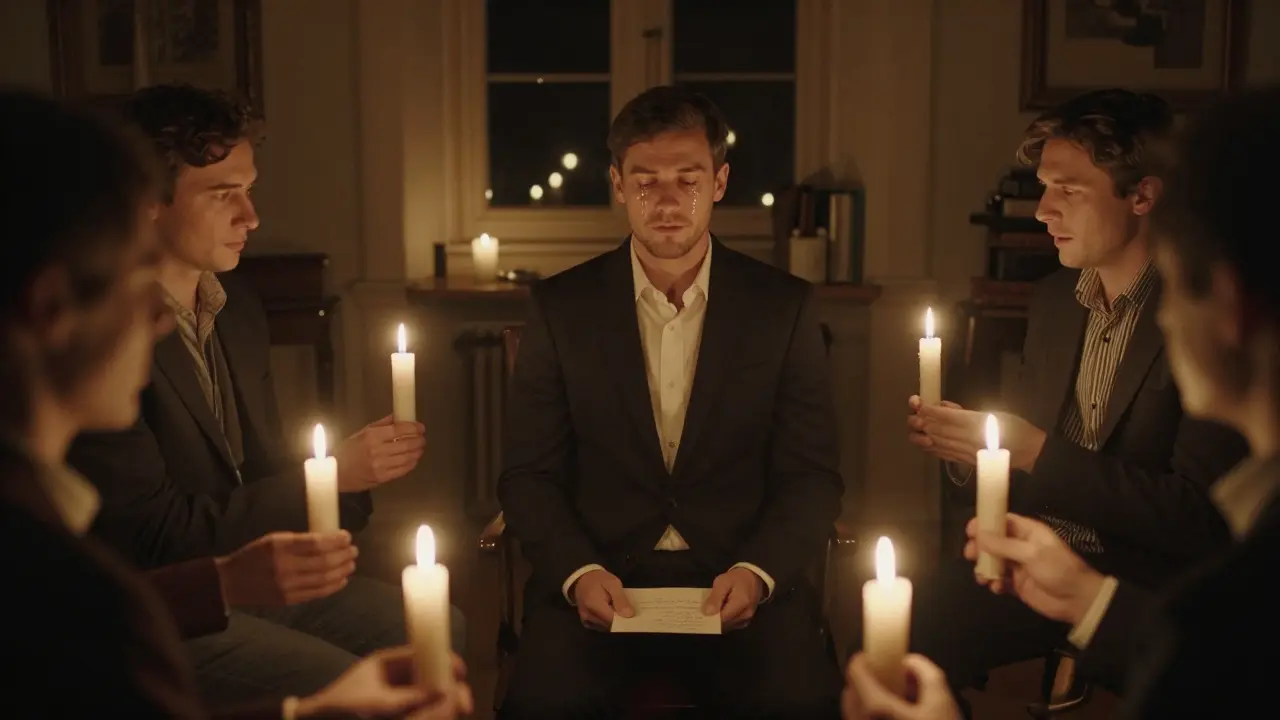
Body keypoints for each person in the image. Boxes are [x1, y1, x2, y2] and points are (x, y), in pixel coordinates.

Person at [0, 86, 471, 720]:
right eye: (224, 194)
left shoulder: (237, 309)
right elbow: (142, 550)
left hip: (223, 572)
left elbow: (266, 473)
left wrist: (341, 480)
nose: (251, 217)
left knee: (439, 632)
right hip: (182, 571)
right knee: (343, 675)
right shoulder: (44, 542)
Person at [842, 83, 1280, 720]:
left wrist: (1035, 452)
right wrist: (973, 450)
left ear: (1143, 196)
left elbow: (1193, 518)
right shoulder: (1051, 301)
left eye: (1068, 191)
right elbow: (1019, 450)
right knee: (887, 630)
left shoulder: (1187, 308)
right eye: (1043, 187)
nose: (1043, 210)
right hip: (1040, 559)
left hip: (1143, 573)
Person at [497, 85, 845, 719]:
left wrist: (760, 572)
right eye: (644, 180)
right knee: (545, 703)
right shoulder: (560, 309)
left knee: (796, 700)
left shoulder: (783, 308)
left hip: (742, 581)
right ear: (616, 184)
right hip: (600, 582)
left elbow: (812, 476)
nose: (664, 202)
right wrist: (577, 573)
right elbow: (529, 477)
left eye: (686, 179)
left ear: (718, 182)